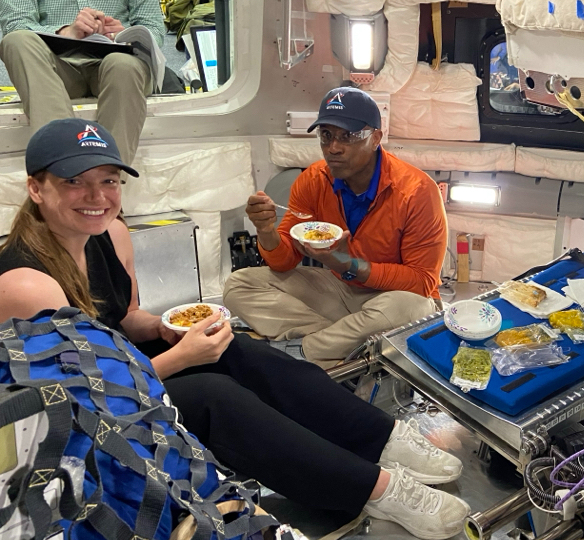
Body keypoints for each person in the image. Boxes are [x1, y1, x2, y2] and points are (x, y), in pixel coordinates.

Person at [0, 118, 471, 540]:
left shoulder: (108, 234)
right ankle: (376, 490)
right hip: (77, 422)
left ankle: (382, 439)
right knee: (214, 396)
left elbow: (124, 318)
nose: (97, 196)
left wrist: (167, 330)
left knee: (240, 350)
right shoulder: (28, 284)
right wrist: (180, 358)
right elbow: (80, 402)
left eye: (108, 180)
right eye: (74, 182)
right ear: (36, 189)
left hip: (116, 371)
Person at [223, 87, 446, 367]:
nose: (334, 148)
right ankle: (344, 346)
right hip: (340, 292)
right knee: (238, 285)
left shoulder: (417, 191)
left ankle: (304, 350)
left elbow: (422, 282)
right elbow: (283, 262)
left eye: (348, 136)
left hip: (393, 298)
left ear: (376, 138)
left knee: (412, 309)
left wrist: (348, 264)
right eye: (326, 135)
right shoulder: (313, 180)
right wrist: (266, 231)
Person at [0, 1, 164, 165]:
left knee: (123, 66)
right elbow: (16, 24)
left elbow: (154, 28)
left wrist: (124, 34)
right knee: (16, 40)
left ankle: (109, 174)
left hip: (118, 62)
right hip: (56, 66)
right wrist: (65, 32)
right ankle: (61, 164)